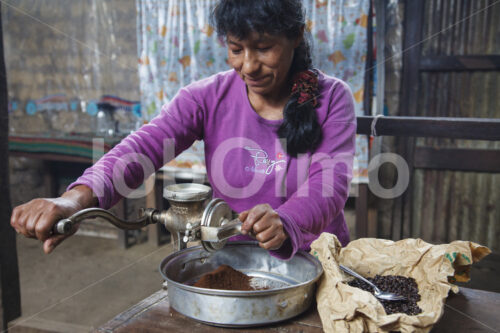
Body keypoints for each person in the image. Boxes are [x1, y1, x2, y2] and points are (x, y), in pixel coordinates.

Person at [11, 0, 356, 260]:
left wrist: (284, 221)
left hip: (317, 260)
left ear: (295, 36)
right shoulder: (206, 97)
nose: (248, 65)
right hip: (237, 261)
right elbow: (143, 148)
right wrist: (75, 200)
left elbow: (329, 186)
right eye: (236, 49)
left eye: (263, 48)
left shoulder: (333, 98)